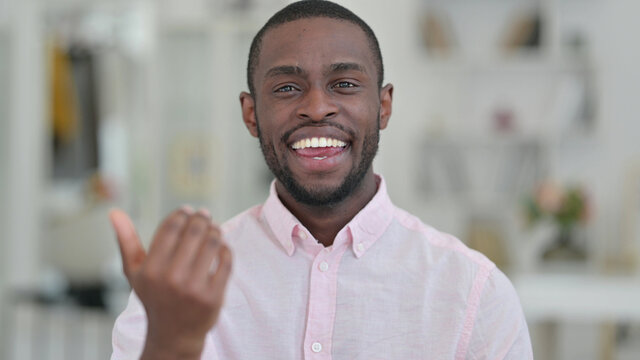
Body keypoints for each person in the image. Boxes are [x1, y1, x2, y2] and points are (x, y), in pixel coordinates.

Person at [109, 1, 533, 359]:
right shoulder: (176, 290)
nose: (316, 107)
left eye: (344, 84)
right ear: (250, 114)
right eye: (288, 88)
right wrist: (171, 344)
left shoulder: (474, 293)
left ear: (383, 106)